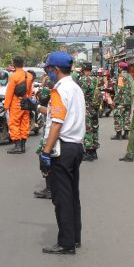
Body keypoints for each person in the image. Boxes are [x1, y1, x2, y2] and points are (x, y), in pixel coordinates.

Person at [22, 51, 85, 254]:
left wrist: (46, 153)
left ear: (55, 69)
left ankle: (66, 243)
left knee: (61, 197)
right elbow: (57, 113)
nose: (47, 72)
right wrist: (37, 107)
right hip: (76, 146)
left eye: (48, 68)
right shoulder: (74, 88)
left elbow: (57, 123)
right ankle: (74, 237)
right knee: (73, 194)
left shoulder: (59, 90)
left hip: (63, 148)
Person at [4, 56, 34, 154]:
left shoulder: (13, 76)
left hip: (16, 104)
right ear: (23, 63)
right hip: (26, 103)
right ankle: (23, 146)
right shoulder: (29, 75)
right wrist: (28, 101)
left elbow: (10, 92)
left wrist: (6, 106)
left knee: (13, 123)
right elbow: (30, 91)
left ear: (14, 64)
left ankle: (17, 146)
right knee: (25, 123)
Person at [33, 75, 53, 200]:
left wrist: (43, 84)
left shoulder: (51, 85)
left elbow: (41, 98)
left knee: (45, 157)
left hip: (52, 129)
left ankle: (50, 189)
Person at [76, 62, 101, 161]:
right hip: (95, 107)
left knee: (88, 129)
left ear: (83, 69)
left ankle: (89, 152)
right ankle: (94, 151)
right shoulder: (96, 79)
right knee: (95, 128)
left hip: (86, 108)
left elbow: (80, 95)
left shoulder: (84, 80)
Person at [111, 61, 133, 140]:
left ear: (120, 68)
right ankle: (126, 134)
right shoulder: (130, 76)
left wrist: (115, 100)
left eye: (118, 67)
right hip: (129, 100)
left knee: (118, 116)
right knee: (126, 117)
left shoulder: (121, 76)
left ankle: (118, 134)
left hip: (121, 100)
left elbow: (119, 89)